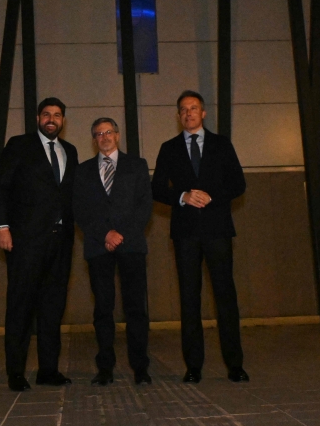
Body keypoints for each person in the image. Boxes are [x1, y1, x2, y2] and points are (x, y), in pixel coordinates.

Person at [151, 90, 249, 383]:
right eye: (183, 109)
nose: (188, 113)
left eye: (193, 108)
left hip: (218, 230)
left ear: (203, 113)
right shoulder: (169, 148)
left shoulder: (222, 144)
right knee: (189, 298)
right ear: (178, 115)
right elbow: (157, 188)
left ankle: (235, 365)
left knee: (225, 297)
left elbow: (238, 183)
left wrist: (211, 197)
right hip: (185, 234)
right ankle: (193, 366)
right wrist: (182, 196)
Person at [0, 97, 78, 392]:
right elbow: (0, 187)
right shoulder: (19, 145)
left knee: (53, 307)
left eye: (57, 115)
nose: (51, 119)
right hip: (26, 241)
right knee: (21, 306)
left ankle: (48, 370)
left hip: (60, 242)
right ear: (38, 118)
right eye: (46, 114)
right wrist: (2, 227)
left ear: (63, 120)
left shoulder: (70, 151)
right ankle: (15, 372)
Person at [72, 118, 153, 386]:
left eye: (108, 132)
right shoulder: (83, 171)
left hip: (131, 246)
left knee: (135, 309)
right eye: (98, 134)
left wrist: (120, 235)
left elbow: (144, 206)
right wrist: (105, 234)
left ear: (117, 136)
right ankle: (105, 368)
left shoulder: (137, 165)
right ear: (93, 140)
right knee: (103, 309)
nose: (104, 137)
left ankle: (140, 368)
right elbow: (80, 210)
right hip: (98, 246)